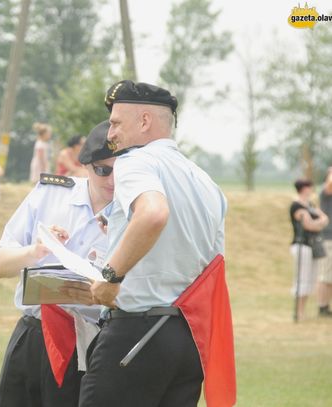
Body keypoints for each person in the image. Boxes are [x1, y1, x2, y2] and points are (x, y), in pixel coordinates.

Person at [78, 80, 228, 407]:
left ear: (144, 122)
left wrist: (109, 276)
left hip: (137, 333)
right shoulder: (206, 182)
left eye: (116, 123)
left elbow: (153, 214)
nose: (110, 134)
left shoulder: (137, 161)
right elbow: (212, 268)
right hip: (188, 340)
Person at [0, 121, 116, 407]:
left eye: (121, 171)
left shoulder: (134, 214)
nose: (112, 180)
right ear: (85, 165)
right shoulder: (50, 193)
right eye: (103, 170)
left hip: (89, 341)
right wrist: (34, 252)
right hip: (33, 335)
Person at [290, 178, 329, 320]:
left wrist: (316, 222)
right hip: (302, 245)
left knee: (310, 279)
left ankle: (303, 311)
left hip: (312, 245)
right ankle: (299, 312)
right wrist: (318, 223)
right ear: (303, 188)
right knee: (302, 279)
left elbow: (324, 218)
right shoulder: (296, 205)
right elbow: (308, 225)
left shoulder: (310, 205)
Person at [318, 169, 332, 316]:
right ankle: (322, 306)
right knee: (325, 275)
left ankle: (326, 306)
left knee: (330, 276)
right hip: (328, 238)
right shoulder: (325, 193)